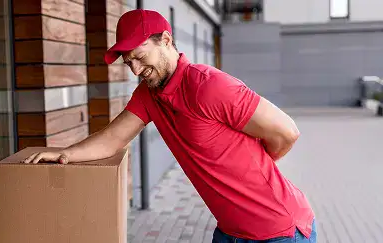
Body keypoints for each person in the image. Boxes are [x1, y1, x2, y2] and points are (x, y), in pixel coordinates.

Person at [22, 9, 317, 243]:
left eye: (139, 57)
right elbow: (113, 138)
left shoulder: (208, 86)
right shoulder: (148, 94)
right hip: (230, 232)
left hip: (279, 232)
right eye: (128, 63)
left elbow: (287, 132)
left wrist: (260, 167)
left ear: (165, 40)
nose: (135, 70)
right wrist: (65, 153)